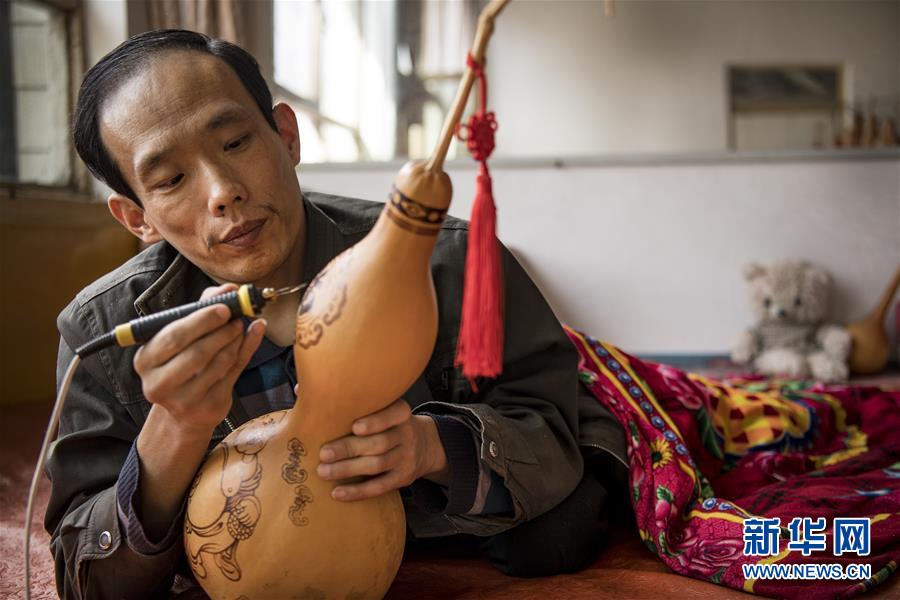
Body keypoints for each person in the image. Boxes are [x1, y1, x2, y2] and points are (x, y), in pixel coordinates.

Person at [45, 30, 627, 599]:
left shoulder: (448, 259)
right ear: (135, 218)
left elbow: (552, 422)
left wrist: (432, 448)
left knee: (554, 535)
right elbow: (84, 575)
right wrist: (175, 427)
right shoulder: (99, 333)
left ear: (286, 135)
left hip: (429, 520)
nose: (222, 191)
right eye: (171, 180)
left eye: (236, 143)